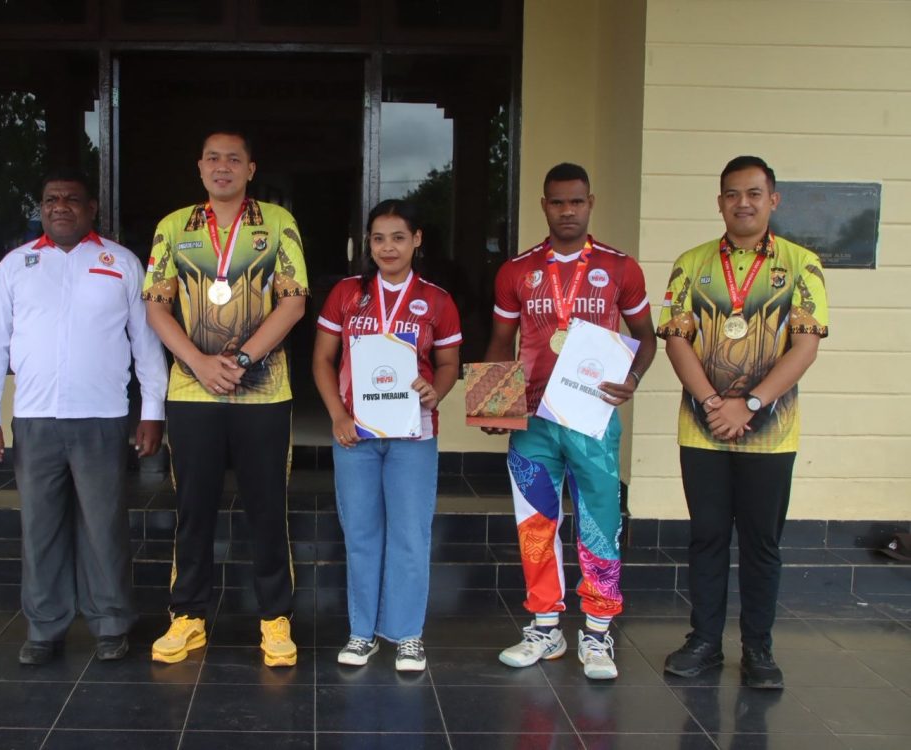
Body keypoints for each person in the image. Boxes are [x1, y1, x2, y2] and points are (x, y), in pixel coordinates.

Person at [0, 168, 167, 665]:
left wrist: (152, 410)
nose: (60, 206)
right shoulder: (16, 265)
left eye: (72, 199)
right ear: (41, 208)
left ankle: (110, 623)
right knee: (40, 529)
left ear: (91, 208)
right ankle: (44, 626)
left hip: (102, 418)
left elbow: (146, 343)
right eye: (51, 199)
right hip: (35, 419)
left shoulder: (120, 262)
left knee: (104, 527)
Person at [657, 156, 828, 689]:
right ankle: (704, 642)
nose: (743, 203)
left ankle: (759, 649)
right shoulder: (691, 263)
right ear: (720, 202)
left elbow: (805, 347)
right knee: (706, 537)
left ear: (773, 199)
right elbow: (676, 341)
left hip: (770, 434)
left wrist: (749, 405)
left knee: (761, 543)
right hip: (701, 429)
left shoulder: (802, 264)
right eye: (732, 194)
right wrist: (713, 403)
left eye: (754, 193)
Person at [144, 129, 309, 667]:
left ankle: (275, 618)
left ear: (250, 169)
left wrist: (241, 361)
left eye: (233, 159)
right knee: (193, 509)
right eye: (213, 158)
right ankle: (187, 616)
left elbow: (293, 303)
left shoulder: (278, 223)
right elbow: (155, 307)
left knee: (268, 508)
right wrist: (198, 362)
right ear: (199, 167)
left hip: (264, 393)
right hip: (192, 392)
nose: (223, 167)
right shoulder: (173, 227)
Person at [485, 163, 656, 680]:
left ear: (590, 203)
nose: (567, 211)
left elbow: (646, 337)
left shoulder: (620, 268)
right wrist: (493, 402)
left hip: (593, 419)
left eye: (576, 201)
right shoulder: (516, 271)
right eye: (557, 202)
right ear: (544, 205)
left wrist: (633, 378)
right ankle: (545, 626)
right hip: (534, 419)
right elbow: (500, 340)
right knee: (535, 523)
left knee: (599, 523)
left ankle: (598, 632)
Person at [312, 199, 461, 672]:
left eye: (398, 237)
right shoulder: (346, 294)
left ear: (417, 240)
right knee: (361, 533)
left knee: (410, 534)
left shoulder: (437, 300)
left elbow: (448, 363)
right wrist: (337, 415)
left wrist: (436, 391)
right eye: (378, 238)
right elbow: (322, 360)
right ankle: (361, 633)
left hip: (413, 434)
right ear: (368, 244)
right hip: (355, 433)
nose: (388, 247)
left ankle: (407, 634)